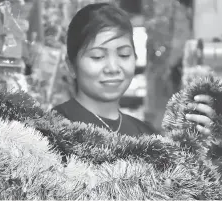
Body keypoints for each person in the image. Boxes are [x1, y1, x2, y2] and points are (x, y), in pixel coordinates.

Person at [52, 3, 215, 137]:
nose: (113, 68)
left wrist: (202, 142)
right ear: (71, 66)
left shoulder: (146, 134)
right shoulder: (52, 128)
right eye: (97, 57)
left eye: (123, 55)